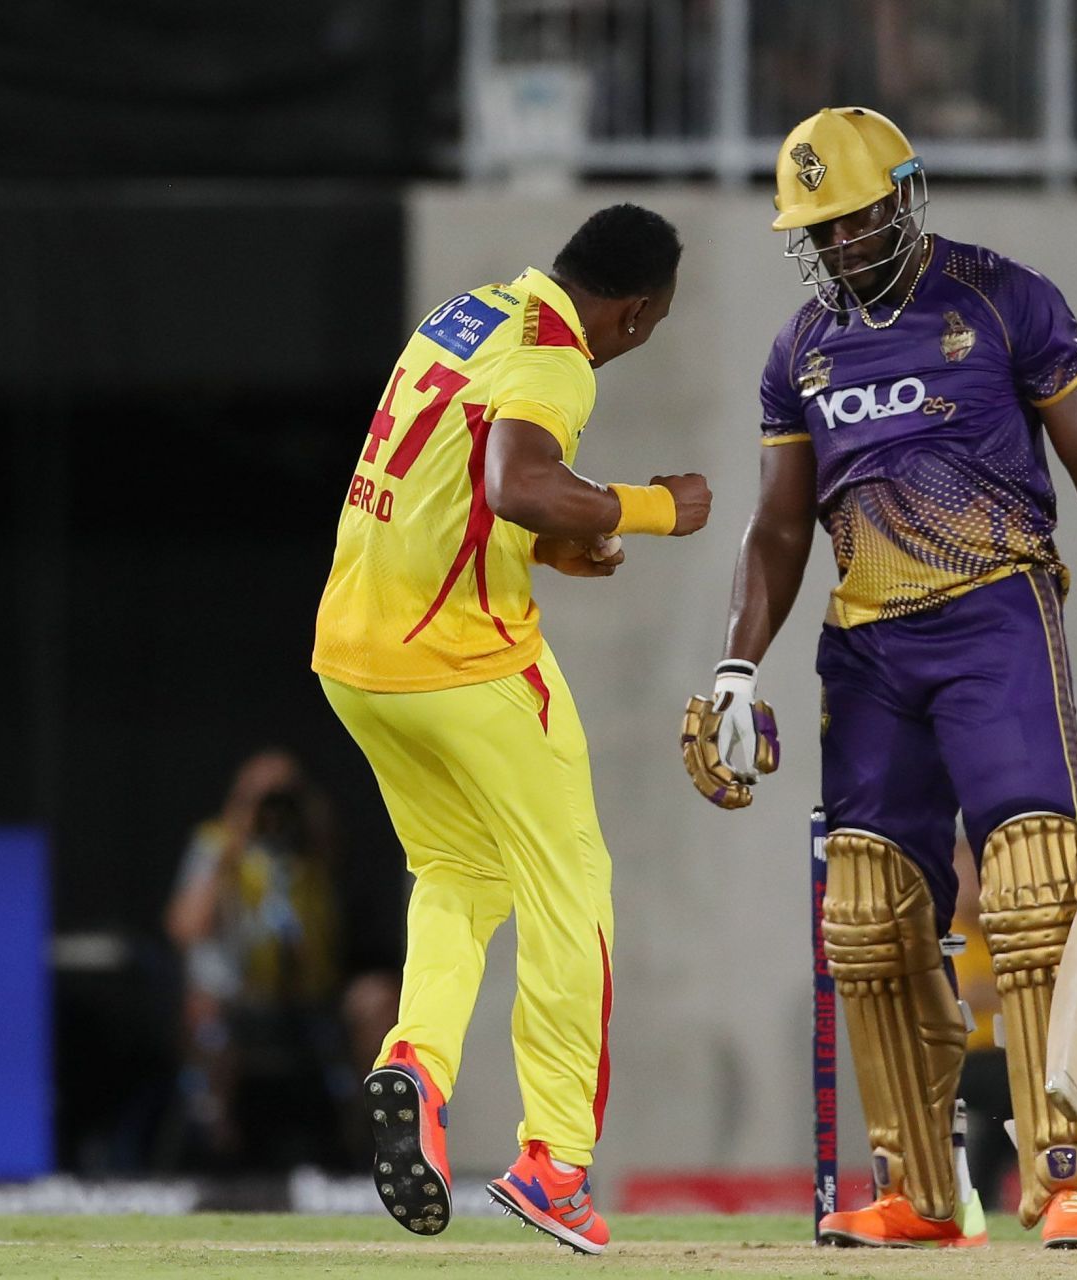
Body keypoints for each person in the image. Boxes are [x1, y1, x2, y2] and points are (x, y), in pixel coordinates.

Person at [680, 107, 1077, 1249]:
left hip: (995, 618)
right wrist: (734, 668)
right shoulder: (800, 352)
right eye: (814, 231)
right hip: (866, 648)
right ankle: (925, 1192)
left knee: (1033, 893)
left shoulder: (1003, 298)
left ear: (901, 199)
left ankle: (1072, 1171)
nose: (833, 247)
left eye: (849, 221)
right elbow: (779, 530)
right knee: (870, 921)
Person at [312, 204, 711, 1254]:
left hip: (356, 657)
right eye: (654, 324)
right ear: (630, 312)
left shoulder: (469, 312)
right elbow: (516, 481)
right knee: (569, 888)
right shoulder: (557, 359)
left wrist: (544, 548)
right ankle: (554, 1162)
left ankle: (416, 1064)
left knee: (459, 870)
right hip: (465, 664)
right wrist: (650, 505)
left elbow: (444, 494)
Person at [165, 749, 348, 1170]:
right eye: (261, 797)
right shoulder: (215, 843)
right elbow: (185, 926)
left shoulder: (310, 850)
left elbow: (331, 848)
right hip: (234, 996)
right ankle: (215, 1143)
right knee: (204, 1011)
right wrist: (235, 839)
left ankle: (365, 1147)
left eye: (284, 797)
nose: (273, 809)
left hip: (306, 997)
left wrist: (303, 813)